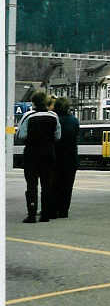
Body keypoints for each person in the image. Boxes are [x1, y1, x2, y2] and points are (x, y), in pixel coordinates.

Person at [15, 92, 60, 223]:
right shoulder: (53, 116)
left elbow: (20, 135)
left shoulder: (28, 116)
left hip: (32, 154)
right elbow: (58, 136)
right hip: (48, 154)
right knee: (47, 185)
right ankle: (45, 214)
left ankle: (31, 214)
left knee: (31, 185)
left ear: (33, 103)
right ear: (46, 102)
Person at [52, 97, 79, 219]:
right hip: (71, 157)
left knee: (54, 185)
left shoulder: (53, 119)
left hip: (55, 157)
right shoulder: (74, 120)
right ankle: (64, 211)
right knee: (67, 186)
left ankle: (53, 209)